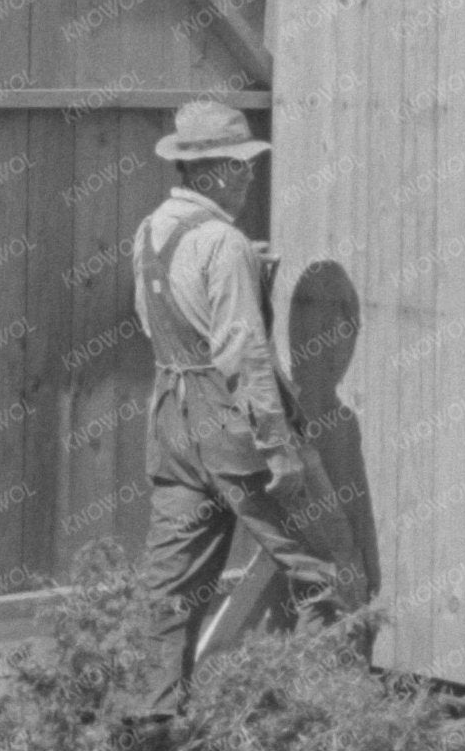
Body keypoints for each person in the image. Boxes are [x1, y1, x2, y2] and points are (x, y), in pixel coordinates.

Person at [131, 101, 350, 718]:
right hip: (229, 419)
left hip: (170, 418)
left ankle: (149, 725)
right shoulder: (223, 241)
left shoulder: (150, 232)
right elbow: (242, 351)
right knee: (323, 568)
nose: (248, 178)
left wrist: (244, 278)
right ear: (209, 174)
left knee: (171, 584)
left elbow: (152, 321)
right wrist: (278, 445)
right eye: (239, 167)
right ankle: (317, 719)